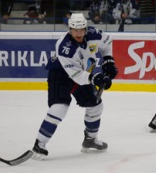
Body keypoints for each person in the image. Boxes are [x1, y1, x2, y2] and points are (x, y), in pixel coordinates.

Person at [31, 13, 118, 160]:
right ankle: (40, 143)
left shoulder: (93, 33)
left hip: (83, 74)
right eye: (75, 30)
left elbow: (108, 42)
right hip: (61, 74)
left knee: (96, 106)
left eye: (81, 29)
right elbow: (76, 75)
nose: (78, 33)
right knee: (59, 108)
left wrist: (108, 59)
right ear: (70, 28)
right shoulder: (64, 47)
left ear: (85, 27)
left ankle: (90, 139)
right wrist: (94, 78)